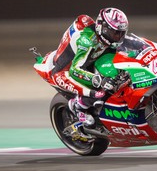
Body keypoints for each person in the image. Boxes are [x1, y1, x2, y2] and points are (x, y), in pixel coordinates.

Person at [51, 7, 129, 139]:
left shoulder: (106, 37)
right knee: (100, 91)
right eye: (115, 33)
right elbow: (75, 70)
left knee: (119, 72)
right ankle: (77, 107)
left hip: (89, 60)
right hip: (65, 71)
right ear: (102, 27)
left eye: (121, 33)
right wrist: (99, 80)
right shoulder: (87, 41)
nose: (118, 37)